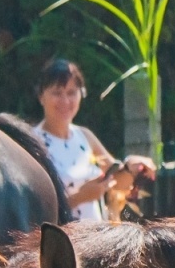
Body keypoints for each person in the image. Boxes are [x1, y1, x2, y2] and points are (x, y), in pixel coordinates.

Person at [32, 58, 155, 223]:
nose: (65, 101)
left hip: (94, 239)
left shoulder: (85, 136)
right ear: (41, 96)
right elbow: (34, 208)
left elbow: (117, 182)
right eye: (57, 93)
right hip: (60, 241)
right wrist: (81, 197)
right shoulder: (33, 143)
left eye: (71, 93)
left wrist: (131, 167)